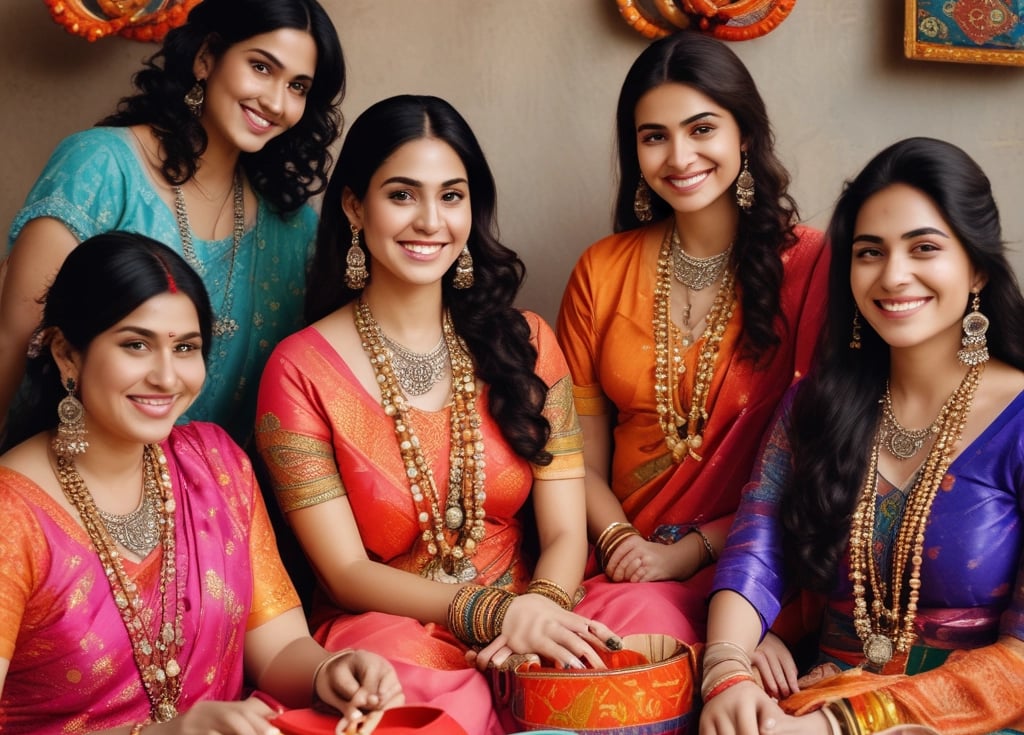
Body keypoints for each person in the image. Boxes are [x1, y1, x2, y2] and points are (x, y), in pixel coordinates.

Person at [254, 95, 623, 735]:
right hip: (392, 628)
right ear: (353, 207)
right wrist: (491, 615)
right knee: (425, 705)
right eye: (402, 195)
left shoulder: (526, 342)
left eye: (451, 196)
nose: (430, 221)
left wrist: (538, 610)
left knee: (648, 626)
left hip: (536, 600)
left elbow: (567, 532)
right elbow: (345, 574)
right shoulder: (299, 370)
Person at [0, 231, 403, 734]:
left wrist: (331, 672)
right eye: (136, 345)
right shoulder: (11, 515)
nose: (167, 377)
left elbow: (279, 647)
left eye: (185, 348)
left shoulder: (215, 465)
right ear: (66, 353)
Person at [701, 137, 1024, 735]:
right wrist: (727, 672)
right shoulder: (816, 404)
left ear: (977, 266)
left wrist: (840, 725)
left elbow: (1021, 664)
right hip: (812, 702)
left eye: (924, 247)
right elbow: (757, 549)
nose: (893, 276)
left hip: (967, 722)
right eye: (869, 252)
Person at [555, 30, 828, 641]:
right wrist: (621, 542)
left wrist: (687, 553)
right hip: (623, 564)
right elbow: (575, 459)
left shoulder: (811, 267)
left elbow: (822, 458)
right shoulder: (601, 270)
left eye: (701, 129)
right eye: (654, 136)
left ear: (745, 135)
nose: (679, 157)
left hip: (761, 563)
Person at [0, 0, 346, 446]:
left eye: (298, 86)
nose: (276, 102)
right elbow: (14, 340)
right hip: (66, 467)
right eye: (261, 67)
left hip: (215, 485)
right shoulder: (103, 167)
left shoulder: (292, 226)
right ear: (206, 58)